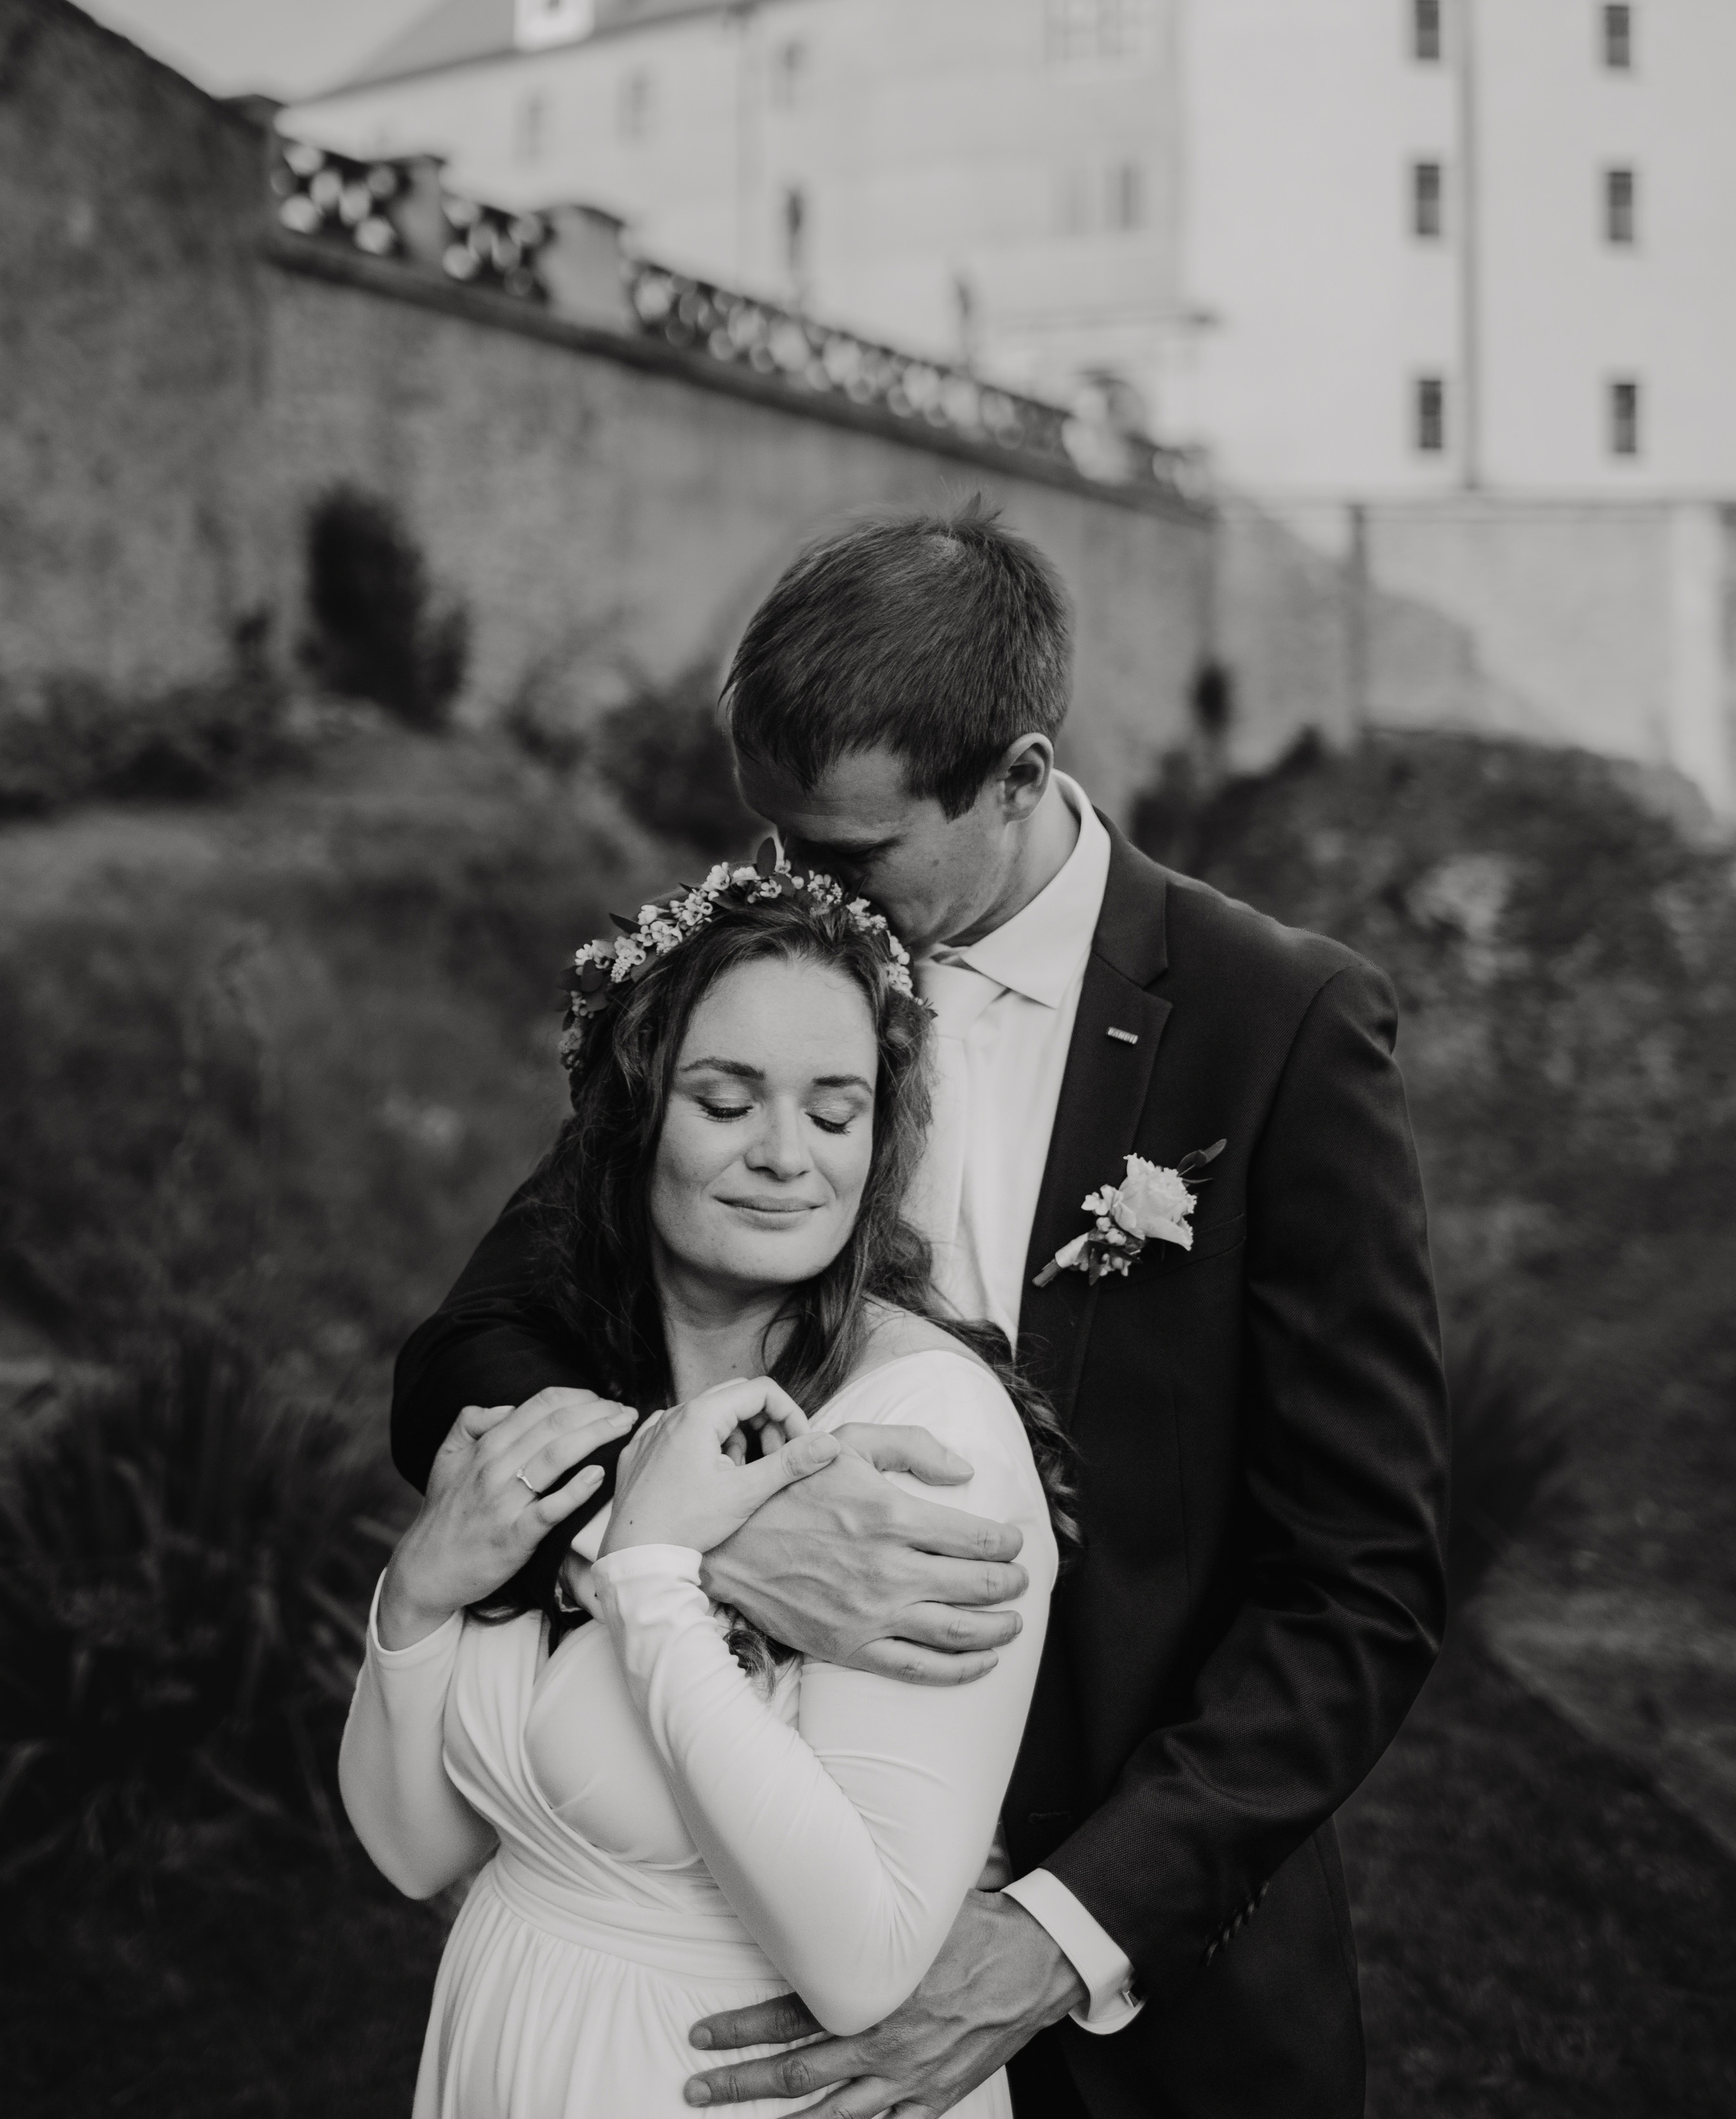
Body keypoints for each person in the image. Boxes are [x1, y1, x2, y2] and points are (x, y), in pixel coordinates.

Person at [392, 505, 1451, 2118]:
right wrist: (675, 1534)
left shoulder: (1275, 1029)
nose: (789, 884)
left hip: (1140, 2007)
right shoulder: (758, 984)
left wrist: (1055, 1935)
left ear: (1018, 779)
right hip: (740, 1943)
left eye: (844, 851)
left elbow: (1358, 1586)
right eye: (772, 838)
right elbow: (469, 1358)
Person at [342, 864, 1065, 2118]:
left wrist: (658, 1586)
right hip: (500, 2050)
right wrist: (410, 1605)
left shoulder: (919, 1433)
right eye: (728, 1102)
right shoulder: (582, 1401)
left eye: (836, 1115)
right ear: (631, 1121)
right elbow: (418, 1849)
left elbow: (866, 1955)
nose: (786, 1157)